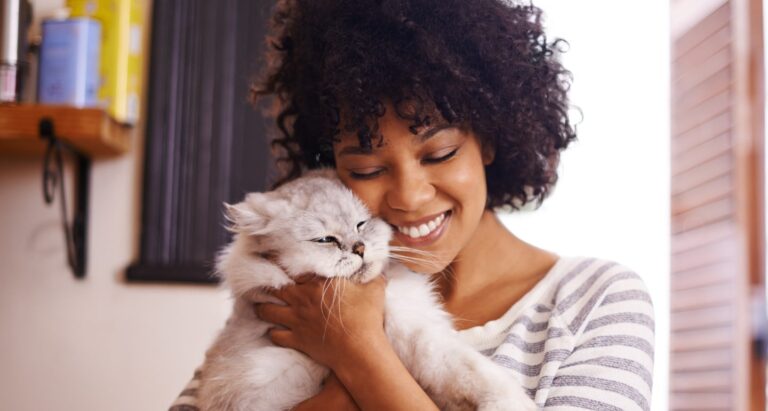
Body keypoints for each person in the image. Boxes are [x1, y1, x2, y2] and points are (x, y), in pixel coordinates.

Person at [170, 0, 654, 410]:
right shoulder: (301, 299)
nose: (409, 196)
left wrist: (359, 351)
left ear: (489, 139)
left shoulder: (596, 302)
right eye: (366, 170)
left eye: (440, 154)